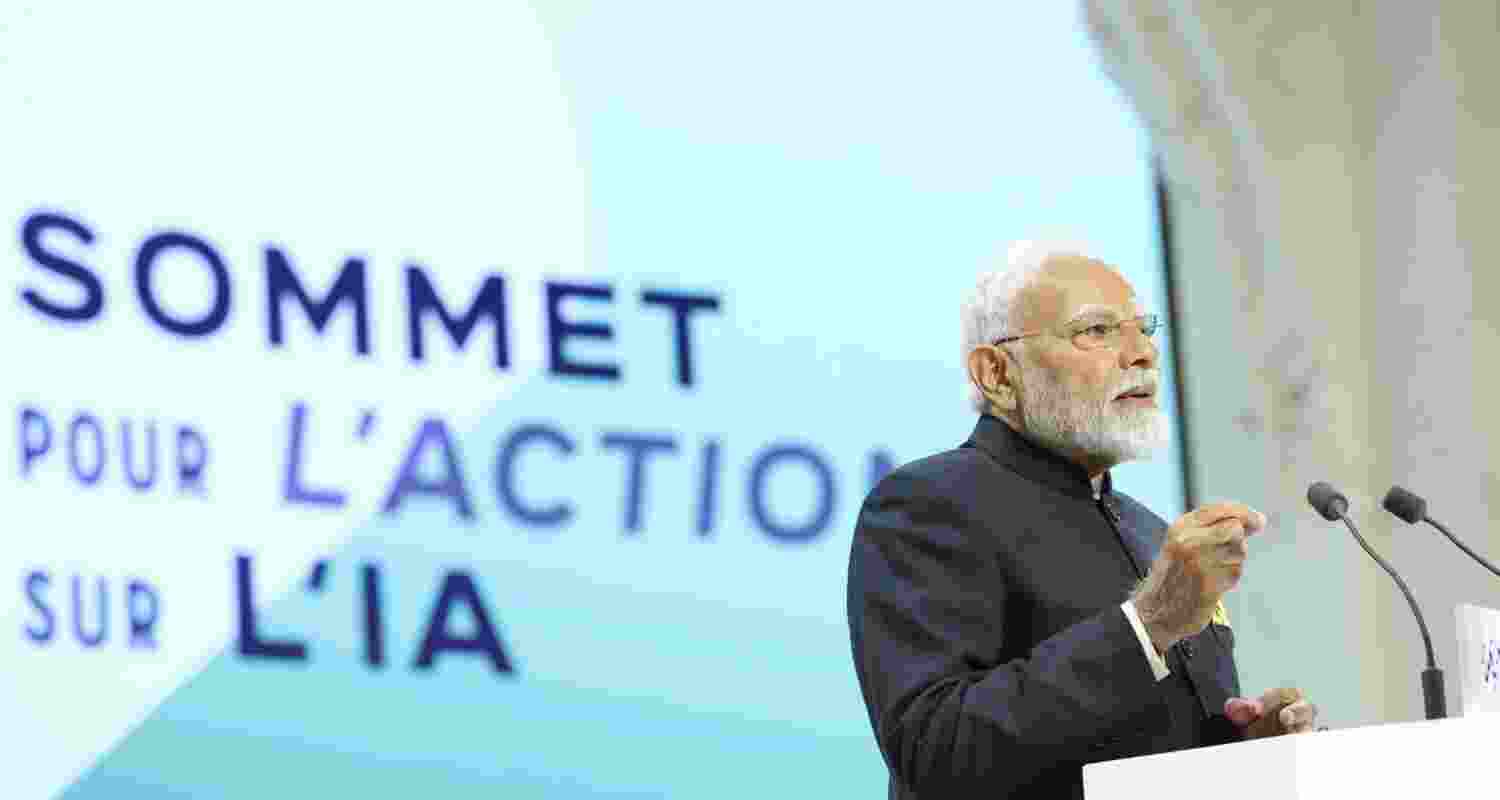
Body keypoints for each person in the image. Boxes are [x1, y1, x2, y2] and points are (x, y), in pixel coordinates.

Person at [846, 242, 1318, 800]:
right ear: (997, 373)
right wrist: (1148, 624)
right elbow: (936, 750)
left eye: (1143, 329)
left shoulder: (1147, 530)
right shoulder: (926, 506)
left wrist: (1244, 750)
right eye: (1097, 331)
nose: (1142, 353)